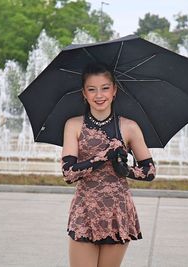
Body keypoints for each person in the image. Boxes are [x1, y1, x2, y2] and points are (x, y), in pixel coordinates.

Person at [61, 62, 156, 267]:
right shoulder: (74, 125)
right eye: (92, 89)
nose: (99, 95)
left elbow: (150, 171)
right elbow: (68, 174)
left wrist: (126, 170)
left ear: (114, 90)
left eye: (105, 88)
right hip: (85, 209)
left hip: (117, 211)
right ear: (84, 94)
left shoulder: (129, 127)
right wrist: (103, 156)